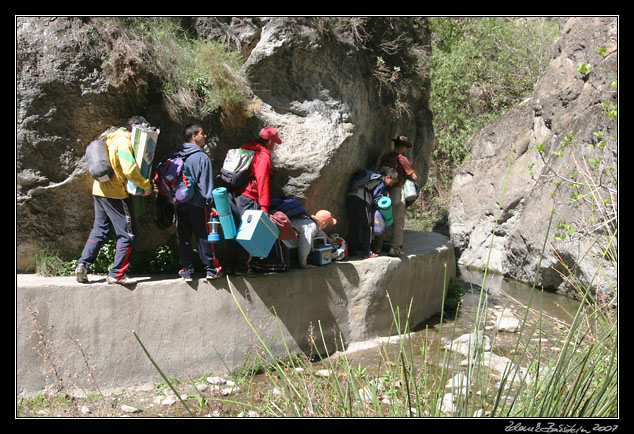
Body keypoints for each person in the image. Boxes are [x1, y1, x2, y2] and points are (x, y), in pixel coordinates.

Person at [75, 116, 153, 285]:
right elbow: (129, 169)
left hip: (100, 190)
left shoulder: (111, 138)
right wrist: (146, 185)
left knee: (100, 230)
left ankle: (83, 264)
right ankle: (116, 274)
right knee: (128, 234)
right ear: (135, 129)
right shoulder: (123, 142)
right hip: (115, 193)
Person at [228, 126, 282, 275]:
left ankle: (233, 265)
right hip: (250, 197)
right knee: (248, 233)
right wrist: (264, 207)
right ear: (269, 141)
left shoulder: (246, 148)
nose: (274, 145)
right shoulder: (263, 156)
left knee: (238, 231)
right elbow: (262, 182)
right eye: (274, 142)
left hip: (236, 194)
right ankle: (244, 267)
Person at [174, 124, 222, 281]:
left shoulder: (177, 155)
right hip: (198, 202)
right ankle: (210, 269)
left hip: (180, 202)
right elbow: (206, 185)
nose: (205, 136)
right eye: (202, 133)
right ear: (194, 136)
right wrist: (210, 204)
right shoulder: (202, 157)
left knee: (184, 236)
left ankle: (187, 270)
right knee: (204, 235)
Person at [377, 136, 418, 256]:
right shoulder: (402, 159)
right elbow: (413, 176)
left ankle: (377, 247)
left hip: (383, 191)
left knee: (384, 218)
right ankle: (395, 248)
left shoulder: (385, 157)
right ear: (403, 147)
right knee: (398, 221)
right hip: (397, 190)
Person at [346, 167, 398, 259]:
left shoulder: (373, 177)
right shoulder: (380, 181)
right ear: (388, 177)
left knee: (353, 225)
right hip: (362, 200)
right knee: (367, 227)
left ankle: (352, 251)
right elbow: (376, 198)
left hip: (351, 197)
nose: (391, 184)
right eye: (392, 181)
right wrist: (384, 199)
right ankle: (366, 252)